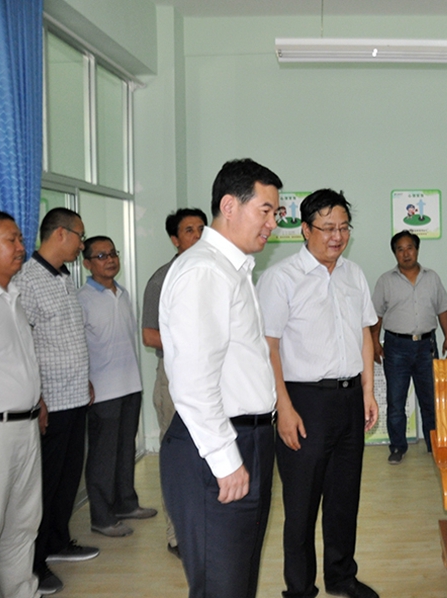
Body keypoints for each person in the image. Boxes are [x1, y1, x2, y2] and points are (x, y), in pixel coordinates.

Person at [159, 159, 281, 598]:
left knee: (239, 581)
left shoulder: (233, 268)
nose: (272, 223)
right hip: (213, 447)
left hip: (247, 437)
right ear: (229, 206)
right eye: (265, 211)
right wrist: (225, 459)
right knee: (220, 585)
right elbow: (194, 380)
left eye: (275, 213)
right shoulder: (204, 271)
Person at [257, 189, 379, 598]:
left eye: (343, 227)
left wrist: (368, 391)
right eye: (327, 228)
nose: (337, 236)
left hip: (348, 399)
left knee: (344, 499)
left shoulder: (353, 274)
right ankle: (299, 588)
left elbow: (364, 333)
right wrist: (284, 408)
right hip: (304, 401)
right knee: (301, 504)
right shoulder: (281, 278)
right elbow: (269, 347)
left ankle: (342, 577)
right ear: (305, 230)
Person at [16, 207, 99, 595]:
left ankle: (58, 541)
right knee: (44, 486)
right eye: (80, 236)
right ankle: (34, 563)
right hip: (49, 400)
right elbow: (23, 346)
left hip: (75, 395)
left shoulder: (65, 277)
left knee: (68, 478)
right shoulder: (27, 281)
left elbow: (67, 336)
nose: (82, 245)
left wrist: (85, 378)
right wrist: (37, 398)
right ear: (60, 234)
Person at [78, 236, 157, 539]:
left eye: (113, 254)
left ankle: (126, 504)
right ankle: (101, 517)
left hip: (130, 386)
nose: (110, 260)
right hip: (102, 391)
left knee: (126, 449)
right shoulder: (82, 298)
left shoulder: (123, 294)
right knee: (103, 456)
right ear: (87, 263)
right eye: (101, 256)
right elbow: (78, 346)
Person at [141, 207, 207, 556]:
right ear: (174, 239)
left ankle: (205, 528)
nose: (197, 235)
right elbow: (150, 335)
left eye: (201, 228)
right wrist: (193, 344)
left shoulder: (214, 273)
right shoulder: (162, 279)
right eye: (189, 230)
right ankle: (176, 534)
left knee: (209, 454)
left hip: (212, 376)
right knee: (177, 457)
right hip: (174, 376)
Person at [0, 211, 42, 598]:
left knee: (22, 526)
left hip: (25, 427)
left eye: (21, 239)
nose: (21, 247)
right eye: (11, 240)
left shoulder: (13, 297)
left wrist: (37, 401)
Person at [370, 231, 447, 464]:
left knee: (430, 400)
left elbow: (443, 309)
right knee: (396, 402)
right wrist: (375, 342)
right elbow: (376, 316)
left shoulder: (432, 278)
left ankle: (433, 445)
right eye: (400, 249)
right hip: (396, 347)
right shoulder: (385, 281)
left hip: (427, 346)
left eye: (410, 248)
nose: (406, 253)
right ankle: (397, 447)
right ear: (395, 253)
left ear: (417, 250)